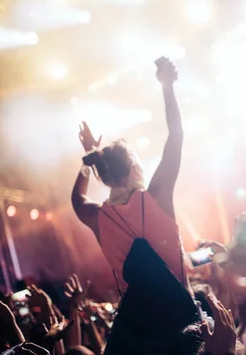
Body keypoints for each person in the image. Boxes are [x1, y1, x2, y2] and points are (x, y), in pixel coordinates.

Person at [71, 56, 186, 288]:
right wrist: (167, 87)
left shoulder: (98, 218)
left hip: (143, 323)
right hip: (186, 318)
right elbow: (176, 136)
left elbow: (77, 199)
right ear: (134, 168)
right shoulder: (156, 197)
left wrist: (89, 160)